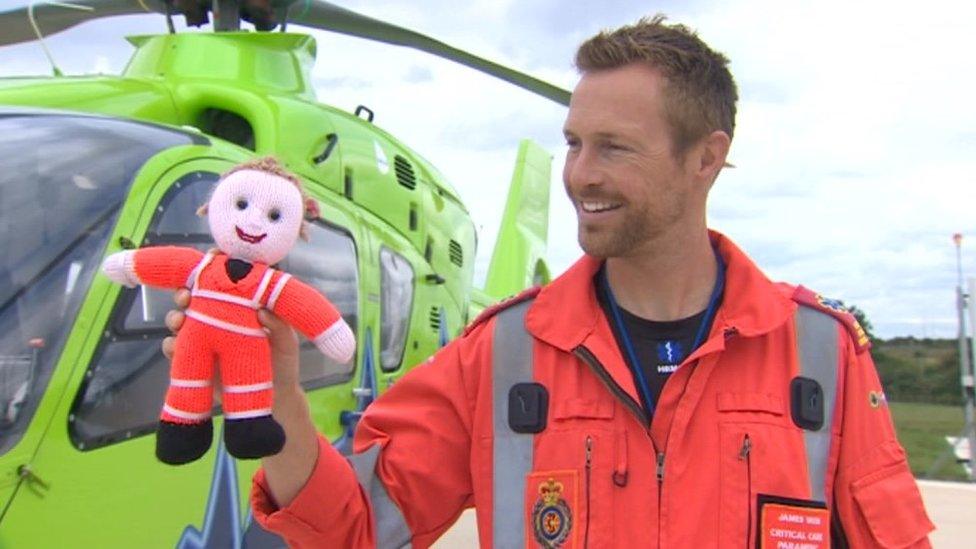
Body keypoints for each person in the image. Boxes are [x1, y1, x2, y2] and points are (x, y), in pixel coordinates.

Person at [164, 15, 934, 548]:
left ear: (706, 158)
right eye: (572, 142)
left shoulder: (822, 356)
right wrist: (285, 395)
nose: (580, 175)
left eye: (614, 148)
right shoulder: (500, 353)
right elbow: (350, 527)